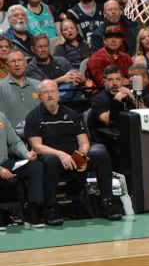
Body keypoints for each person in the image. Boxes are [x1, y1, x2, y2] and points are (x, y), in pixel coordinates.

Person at [25, 80, 122, 222]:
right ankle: (50, 209)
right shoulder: (33, 117)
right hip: (53, 158)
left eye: (52, 91)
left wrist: (81, 156)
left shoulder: (71, 114)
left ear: (58, 94)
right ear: (40, 96)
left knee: (100, 153)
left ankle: (106, 203)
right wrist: (61, 155)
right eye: (45, 93)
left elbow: (83, 142)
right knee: (50, 161)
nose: (50, 95)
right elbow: (37, 146)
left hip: (75, 158)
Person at [0, 109, 50, 228]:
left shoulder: (1, 116)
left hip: (4, 161)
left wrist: (26, 154)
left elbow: (14, 142)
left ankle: (31, 210)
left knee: (35, 166)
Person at [25, 34, 84, 100]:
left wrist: (79, 78)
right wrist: (62, 79)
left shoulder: (62, 61)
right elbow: (40, 87)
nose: (44, 49)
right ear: (33, 49)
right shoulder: (30, 68)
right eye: (40, 47)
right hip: (48, 101)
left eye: (46, 46)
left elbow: (76, 76)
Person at [0, 49, 40, 128]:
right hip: (14, 138)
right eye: (13, 61)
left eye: (19, 60)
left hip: (39, 136)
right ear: (7, 65)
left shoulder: (38, 85)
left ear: (26, 63)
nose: (17, 64)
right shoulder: (1, 88)